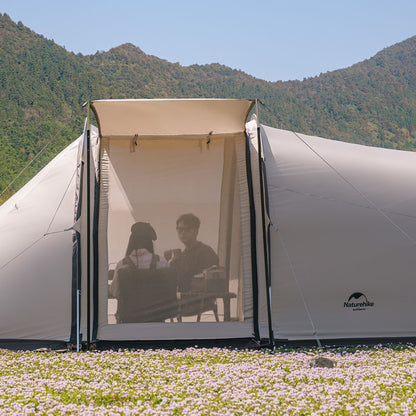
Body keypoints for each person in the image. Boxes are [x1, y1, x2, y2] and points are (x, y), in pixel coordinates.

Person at [110, 222, 167, 299]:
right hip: (155, 310)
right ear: (149, 242)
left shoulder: (122, 264)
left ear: (131, 241)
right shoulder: (161, 262)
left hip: (130, 310)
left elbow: (115, 292)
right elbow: (167, 290)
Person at [166, 213, 219, 292]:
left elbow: (208, 282)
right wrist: (170, 265)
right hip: (184, 301)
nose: (183, 233)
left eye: (188, 229)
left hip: (201, 301)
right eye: (180, 230)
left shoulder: (206, 252)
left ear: (196, 231)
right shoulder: (182, 255)